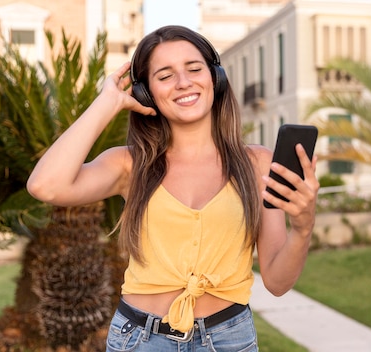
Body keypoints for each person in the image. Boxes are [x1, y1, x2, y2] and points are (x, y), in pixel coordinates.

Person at [27, 25, 319, 351]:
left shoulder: (258, 165)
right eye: (165, 76)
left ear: (215, 78)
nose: (183, 82)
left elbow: (278, 283)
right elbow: (45, 186)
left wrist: (303, 228)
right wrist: (107, 102)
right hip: (140, 340)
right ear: (146, 92)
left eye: (194, 69)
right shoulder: (129, 165)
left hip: (229, 339)